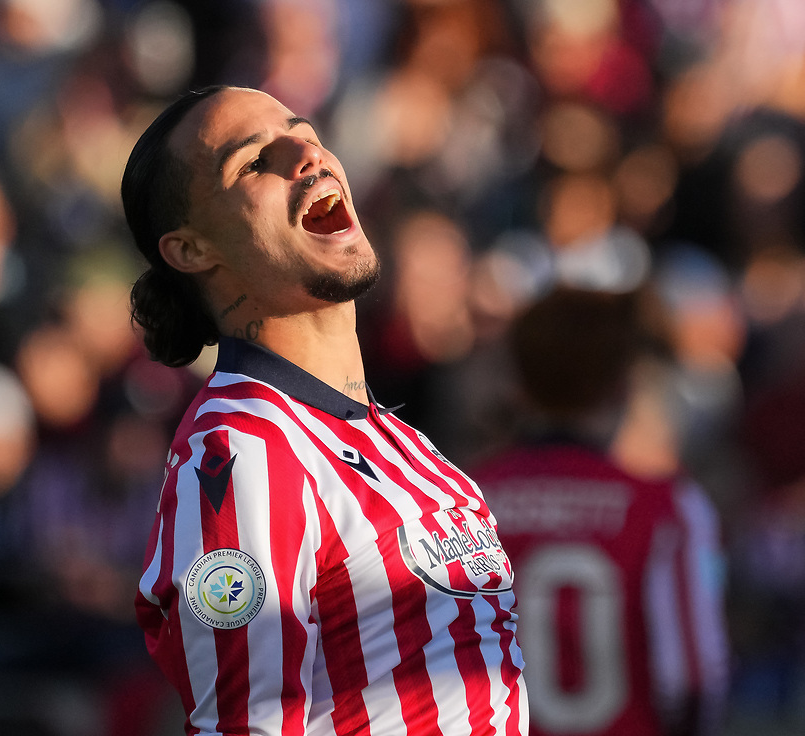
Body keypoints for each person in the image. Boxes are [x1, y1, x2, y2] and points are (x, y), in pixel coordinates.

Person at [120, 85, 527, 735]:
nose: (306, 154)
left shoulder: (412, 448)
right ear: (194, 249)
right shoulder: (241, 451)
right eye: (253, 161)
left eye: (304, 130)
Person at [470, 286, 729, 736]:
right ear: (622, 386)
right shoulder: (666, 508)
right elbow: (694, 681)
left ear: (518, 384)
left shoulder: (460, 501)